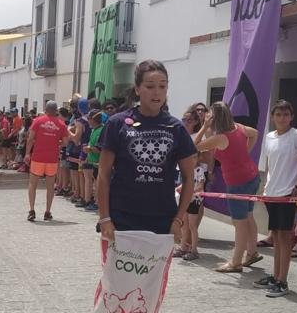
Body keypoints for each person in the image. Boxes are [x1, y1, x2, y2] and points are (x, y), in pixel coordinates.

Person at [97, 60, 196, 240]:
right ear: (137, 89)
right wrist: (105, 218)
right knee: (119, 269)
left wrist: (178, 220)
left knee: (155, 270)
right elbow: (103, 174)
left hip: (162, 221)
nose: (157, 92)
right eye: (150, 86)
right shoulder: (117, 123)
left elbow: (189, 178)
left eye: (162, 86)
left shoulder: (176, 128)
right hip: (121, 218)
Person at [254, 100, 297, 297]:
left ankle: (283, 281)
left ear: (291, 117)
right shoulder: (269, 137)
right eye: (278, 114)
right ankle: (275, 275)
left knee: (285, 237)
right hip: (271, 193)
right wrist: (266, 187)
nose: (282, 118)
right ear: (273, 117)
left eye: (286, 114)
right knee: (276, 236)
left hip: (288, 192)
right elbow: (270, 164)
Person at [194, 102, 260, 273]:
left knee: (239, 222)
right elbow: (255, 133)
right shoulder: (238, 128)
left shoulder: (220, 138)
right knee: (248, 216)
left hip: (238, 182)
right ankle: (252, 252)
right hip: (252, 176)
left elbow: (194, 146)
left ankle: (236, 262)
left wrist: (203, 126)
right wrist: (246, 151)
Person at [175, 104, 212, 261]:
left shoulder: (200, 135)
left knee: (192, 224)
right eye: (184, 119)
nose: (186, 121)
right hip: (181, 172)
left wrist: (210, 170)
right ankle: (183, 246)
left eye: (190, 119)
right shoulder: (180, 133)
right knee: (183, 220)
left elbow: (208, 154)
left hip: (195, 184)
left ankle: (192, 247)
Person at [26, 100, 68, 222]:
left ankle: (32, 210)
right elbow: (65, 142)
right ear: (56, 111)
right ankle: (47, 211)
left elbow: (30, 138)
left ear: (45, 109)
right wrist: (57, 145)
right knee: (50, 187)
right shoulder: (61, 124)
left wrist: (27, 153)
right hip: (52, 159)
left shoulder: (38, 121)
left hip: (38, 158)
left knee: (32, 184)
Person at [80, 109, 104, 211]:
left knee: (98, 184)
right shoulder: (93, 130)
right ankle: (88, 200)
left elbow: (100, 149)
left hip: (99, 162)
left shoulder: (101, 130)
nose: (88, 121)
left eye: (89, 119)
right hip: (91, 161)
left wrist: (89, 149)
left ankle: (97, 203)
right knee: (93, 182)